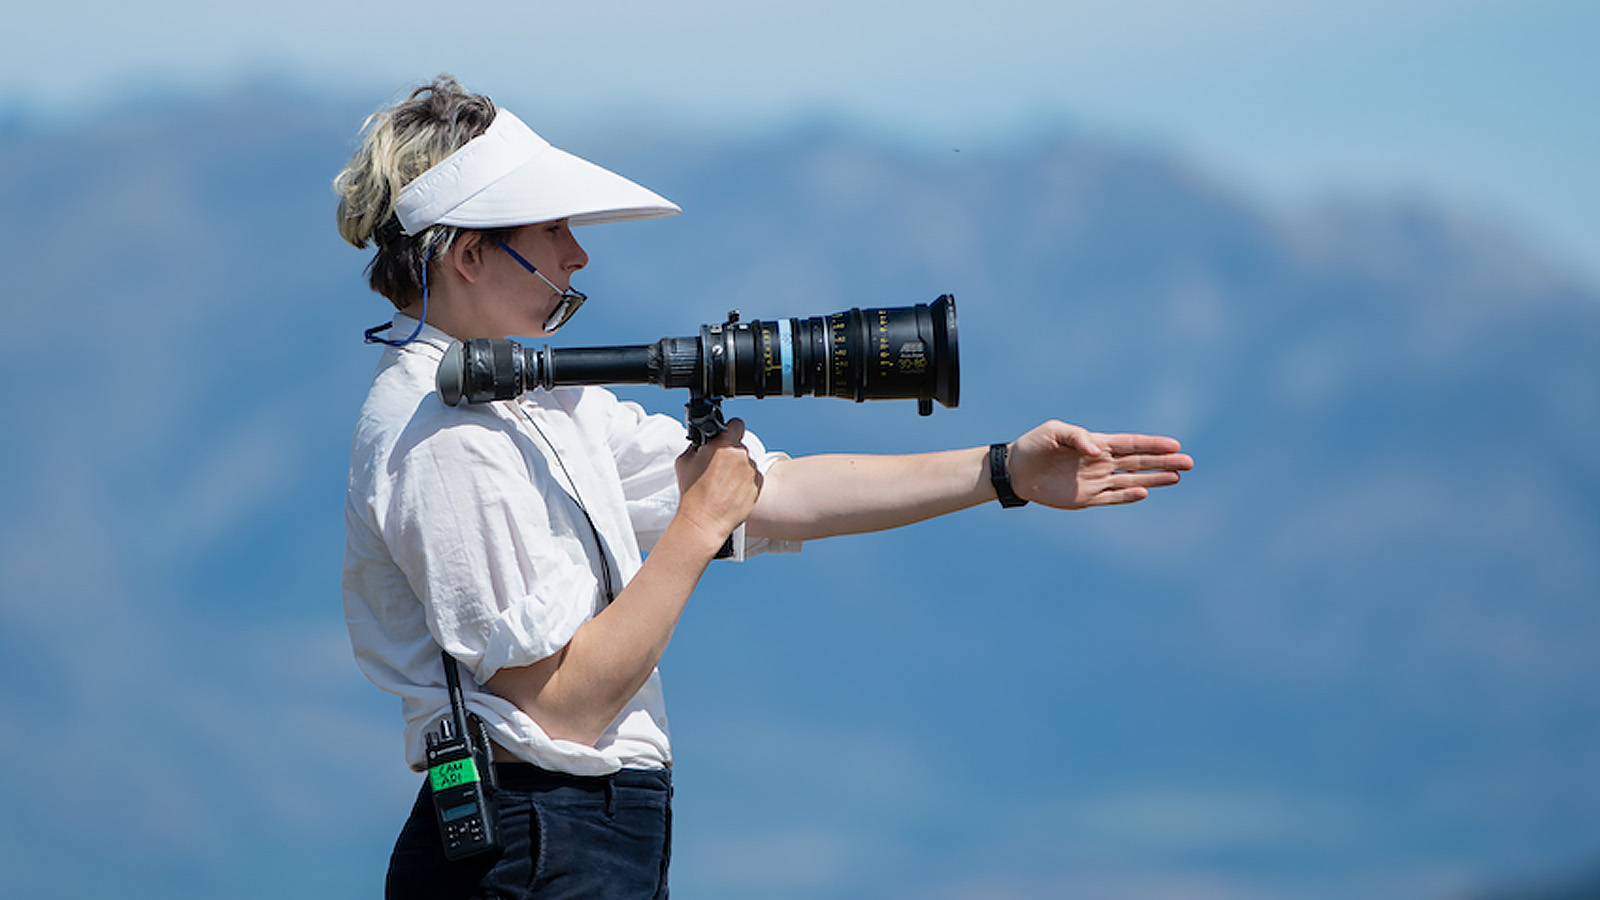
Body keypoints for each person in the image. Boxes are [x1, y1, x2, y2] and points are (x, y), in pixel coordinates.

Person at [336, 75, 1193, 900]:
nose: (578, 251)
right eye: (553, 228)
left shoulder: (538, 399)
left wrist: (1004, 471)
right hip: (531, 843)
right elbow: (561, 710)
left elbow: (774, 495)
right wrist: (697, 528)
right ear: (471, 255)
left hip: (580, 837)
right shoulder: (440, 433)